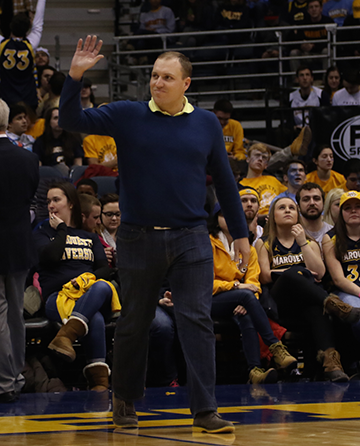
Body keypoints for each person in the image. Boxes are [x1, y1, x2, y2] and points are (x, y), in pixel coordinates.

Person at [59, 36, 250, 433]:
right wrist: (75, 75)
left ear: (186, 84)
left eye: (167, 77)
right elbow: (73, 120)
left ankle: (205, 409)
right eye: (154, 76)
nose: (157, 83)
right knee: (135, 321)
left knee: (196, 321)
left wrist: (242, 235)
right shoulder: (128, 114)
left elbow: (227, 183)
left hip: (192, 236)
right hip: (137, 236)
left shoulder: (206, 123)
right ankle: (125, 398)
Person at [33, 181, 121, 392]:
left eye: (56, 200)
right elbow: (49, 259)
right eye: (48, 202)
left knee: (102, 286)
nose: (51, 206)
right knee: (95, 317)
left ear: (71, 203)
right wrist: (62, 229)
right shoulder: (43, 232)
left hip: (87, 292)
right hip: (58, 298)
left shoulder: (90, 237)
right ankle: (99, 382)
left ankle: (66, 336)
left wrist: (84, 279)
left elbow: (104, 269)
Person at [255, 196, 355, 382]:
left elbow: (319, 272)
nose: (287, 211)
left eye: (292, 208)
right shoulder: (265, 242)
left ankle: (331, 364)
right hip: (279, 303)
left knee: (318, 308)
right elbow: (265, 276)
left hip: (305, 304)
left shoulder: (309, 242)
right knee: (293, 275)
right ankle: (334, 304)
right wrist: (298, 271)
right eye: (282, 208)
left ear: (297, 215)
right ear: (273, 215)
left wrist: (301, 242)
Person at [209, 202, 297, 384]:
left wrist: (248, 298)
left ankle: (254, 370)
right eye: (224, 215)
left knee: (246, 316)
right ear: (216, 221)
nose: (231, 219)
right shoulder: (207, 243)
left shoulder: (248, 246)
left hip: (240, 300)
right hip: (210, 299)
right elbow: (205, 283)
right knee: (246, 297)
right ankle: (275, 346)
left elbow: (253, 281)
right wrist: (235, 287)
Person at [0, 98, 39, 403]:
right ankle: (16, 377)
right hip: (18, 242)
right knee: (15, 313)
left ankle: (5, 383)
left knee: (1, 313)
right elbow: (29, 201)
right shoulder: (27, 158)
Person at [323, 190, 360, 349]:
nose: (353, 211)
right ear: (341, 213)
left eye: (358, 206)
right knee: (357, 314)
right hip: (347, 291)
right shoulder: (330, 238)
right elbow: (338, 279)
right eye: (347, 208)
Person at [0, 0, 46, 110]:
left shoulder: (2, 45)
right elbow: (38, 24)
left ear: (10, 26)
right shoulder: (31, 44)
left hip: (6, 97)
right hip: (28, 97)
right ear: (27, 28)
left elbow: (38, 26)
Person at [240, 143, 287, 218]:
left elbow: (290, 195)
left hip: (276, 219)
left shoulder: (273, 180)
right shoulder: (240, 185)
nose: (260, 159)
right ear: (248, 159)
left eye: (264, 157)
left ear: (266, 165)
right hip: (255, 219)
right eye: (257, 155)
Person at [289, 0, 335, 73]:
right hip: (307, 54)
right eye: (311, 7)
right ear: (308, 10)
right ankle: (297, 81)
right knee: (294, 53)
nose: (314, 9)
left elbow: (333, 42)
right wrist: (301, 45)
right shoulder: (303, 23)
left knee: (327, 51)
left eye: (316, 6)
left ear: (321, 9)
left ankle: (326, 80)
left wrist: (314, 46)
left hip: (322, 53)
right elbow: (294, 40)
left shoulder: (328, 22)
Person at [33, 107, 83, 172]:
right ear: (49, 121)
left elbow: (78, 164)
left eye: (62, 118)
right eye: (55, 118)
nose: (59, 121)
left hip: (69, 176)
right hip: (49, 176)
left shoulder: (73, 139)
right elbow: (39, 166)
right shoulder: (40, 142)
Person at [99, 193, 120, 268]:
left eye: (118, 214)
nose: (114, 218)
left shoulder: (130, 235)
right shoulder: (93, 234)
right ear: (100, 214)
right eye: (109, 214)